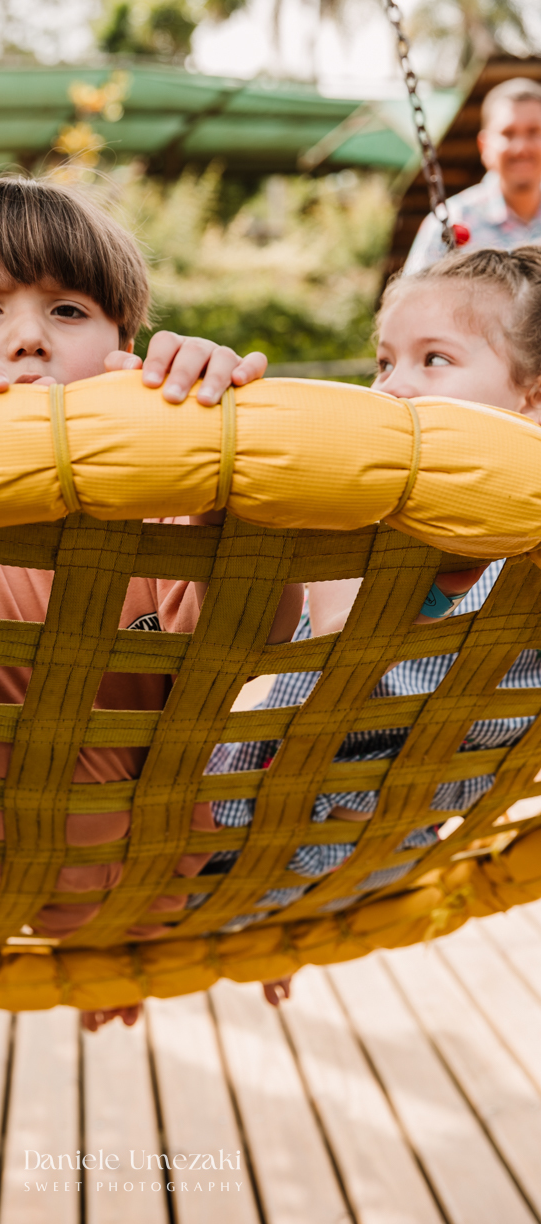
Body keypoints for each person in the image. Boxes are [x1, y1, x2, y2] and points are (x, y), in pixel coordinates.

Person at [0, 176, 303, 1020]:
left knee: (123, 970)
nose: (30, 338)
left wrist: (217, 445)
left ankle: (112, 975)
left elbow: (254, 626)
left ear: (129, 353)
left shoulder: (166, 509)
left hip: (134, 881)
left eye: (68, 311)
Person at [205, 246, 541, 981]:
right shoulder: (366, 520)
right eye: (385, 363)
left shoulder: (510, 569)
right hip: (250, 824)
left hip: (363, 845)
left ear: (532, 397)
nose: (391, 387)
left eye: (434, 361)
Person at [405, 78, 541, 273]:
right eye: (508, 133)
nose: (521, 148)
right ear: (484, 146)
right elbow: (412, 301)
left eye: (534, 132)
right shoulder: (448, 225)